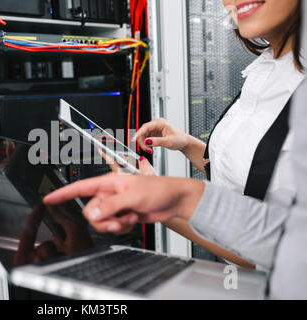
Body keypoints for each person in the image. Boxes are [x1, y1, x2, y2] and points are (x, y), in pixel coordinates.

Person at [129, 0, 304, 268]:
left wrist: (164, 206)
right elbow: (249, 183)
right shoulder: (268, 66)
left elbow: (283, 254)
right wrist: (186, 144)